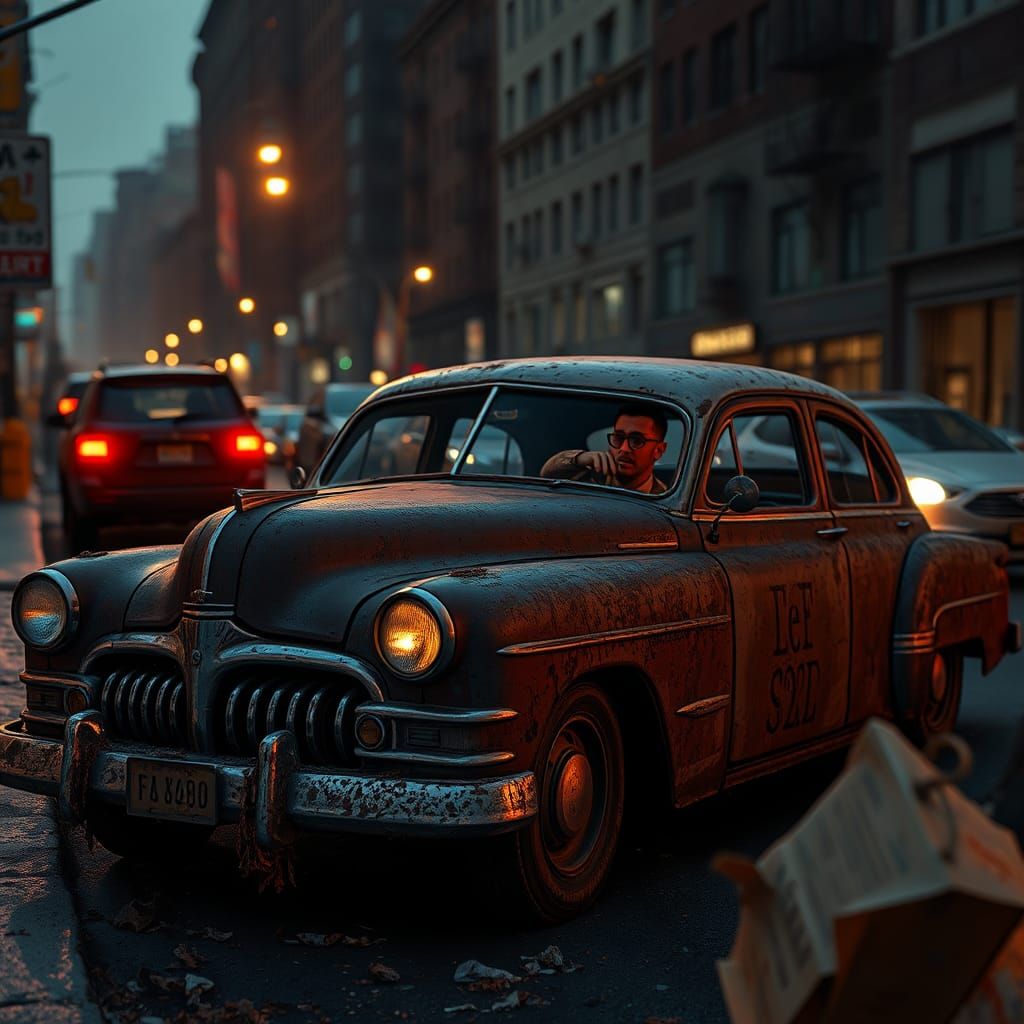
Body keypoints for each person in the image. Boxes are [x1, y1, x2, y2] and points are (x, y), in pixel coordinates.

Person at [540, 403, 669, 493]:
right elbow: (547, 474)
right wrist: (579, 458)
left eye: (637, 441)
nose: (624, 448)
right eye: (618, 437)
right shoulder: (589, 477)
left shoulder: (664, 498)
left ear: (659, 450)